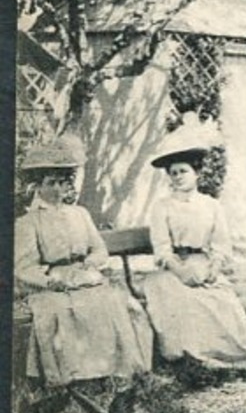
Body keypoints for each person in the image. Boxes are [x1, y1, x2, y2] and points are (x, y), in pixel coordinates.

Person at [13, 136, 153, 390]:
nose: (57, 189)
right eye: (50, 183)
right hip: (53, 284)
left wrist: (90, 266)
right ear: (38, 186)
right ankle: (77, 375)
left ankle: (114, 369)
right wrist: (52, 279)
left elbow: (98, 249)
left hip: (85, 276)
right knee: (65, 310)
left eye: (62, 182)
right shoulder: (29, 222)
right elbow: (24, 267)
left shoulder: (80, 214)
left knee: (114, 301)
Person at [137, 116, 246, 377]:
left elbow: (220, 245)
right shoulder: (162, 207)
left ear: (197, 173)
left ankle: (228, 356)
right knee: (184, 301)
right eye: (173, 173)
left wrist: (214, 268)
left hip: (204, 264)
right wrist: (181, 272)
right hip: (173, 269)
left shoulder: (211, 206)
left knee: (221, 301)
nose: (178, 177)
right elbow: (162, 248)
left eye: (183, 171)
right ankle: (194, 359)